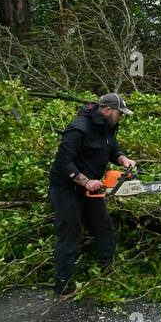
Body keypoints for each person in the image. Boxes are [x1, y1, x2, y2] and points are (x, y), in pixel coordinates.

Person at [47, 93, 137, 296]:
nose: (121, 117)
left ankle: (108, 272)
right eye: (119, 113)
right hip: (66, 189)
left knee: (104, 227)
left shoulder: (107, 127)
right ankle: (62, 284)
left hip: (93, 189)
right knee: (71, 232)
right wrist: (84, 181)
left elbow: (112, 149)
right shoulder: (79, 128)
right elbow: (64, 161)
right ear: (107, 110)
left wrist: (123, 159)